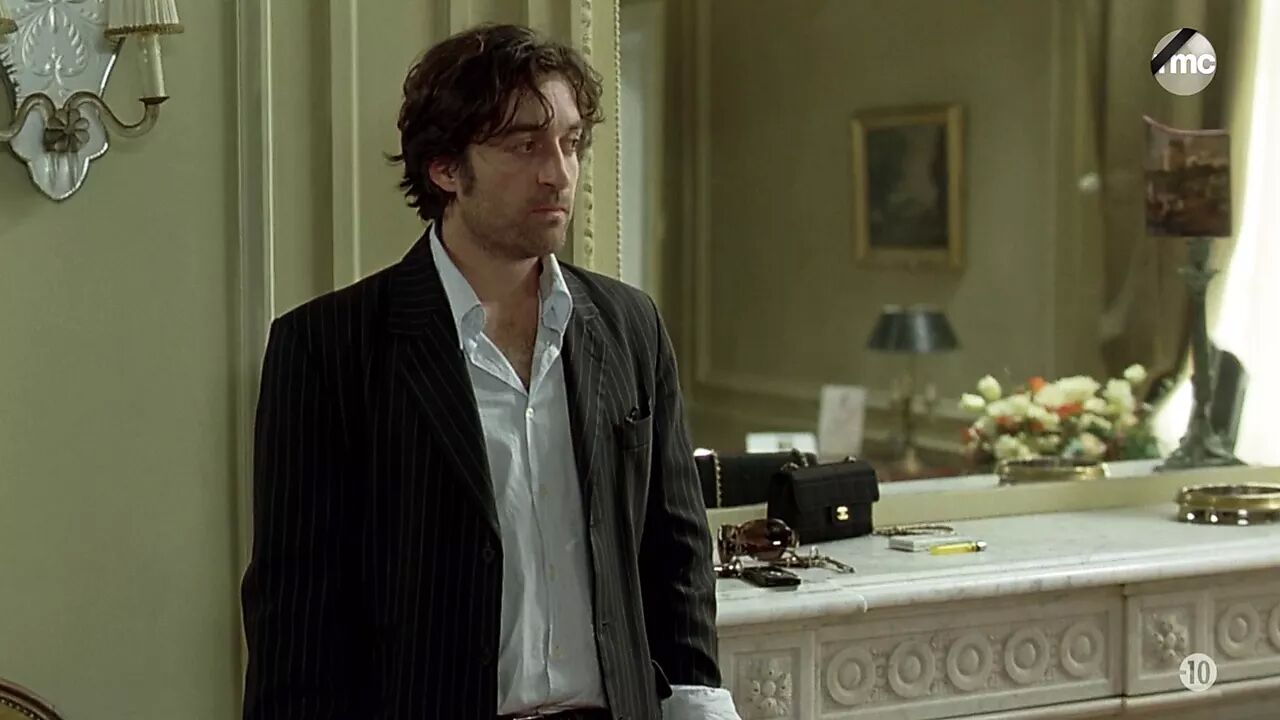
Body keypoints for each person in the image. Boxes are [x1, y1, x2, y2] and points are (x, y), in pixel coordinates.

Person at [240, 23, 739, 720]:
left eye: (570, 142)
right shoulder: (328, 348)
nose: (558, 172)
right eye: (524, 145)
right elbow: (298, 611)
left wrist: (699, 706)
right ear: (446, 167)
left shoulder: (631, 325)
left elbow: (675, 556)